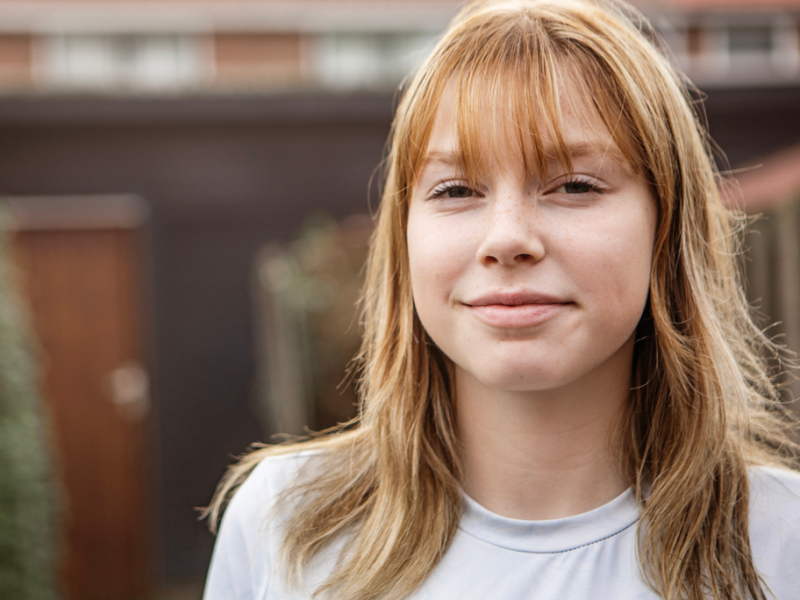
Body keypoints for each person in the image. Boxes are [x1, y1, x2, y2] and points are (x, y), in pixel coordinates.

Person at [202, 0, 800, 599]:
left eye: (574, 185)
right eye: (457, 189)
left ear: (666, 228)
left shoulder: (781, 542)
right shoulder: (284, 526)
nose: (508, 238)